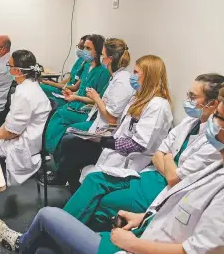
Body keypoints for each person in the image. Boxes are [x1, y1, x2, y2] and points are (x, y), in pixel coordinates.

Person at [0, 81, 224, 254]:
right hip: (145, 232)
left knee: (48, 216)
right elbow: (174, 183)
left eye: (218, 118)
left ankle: (20, 246)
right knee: (49, 252)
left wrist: (132, 243)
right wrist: (144, 217)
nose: (210, 124)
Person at [64, 74, 224, 231]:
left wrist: (167, 157)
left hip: (163, 190)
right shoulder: (189, 122)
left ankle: (68, 238)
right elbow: (158, 155)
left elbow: (174, 178)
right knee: (94, 179)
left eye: (193, 96)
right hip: (149, 176)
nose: (188, 100)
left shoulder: (215, 139)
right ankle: (59, 229)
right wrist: (168, 162)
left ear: (212, 104)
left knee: (104, 203)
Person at [55, 55, 173, 193]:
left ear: (149, 76)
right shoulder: (137, 97)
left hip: (131, 159)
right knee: (71, 144)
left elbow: (138, 145)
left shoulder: (157, 106)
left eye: (136, 73)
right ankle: (75, 190)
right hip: (116, 149)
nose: (132, 76)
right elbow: (123, 127)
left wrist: (103, 141)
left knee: (73, 149)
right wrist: (102, 135)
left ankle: (77, 192)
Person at [46, 38, 135, 186]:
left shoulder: (122, 81)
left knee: (69, 139)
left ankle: (65, 177)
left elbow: (112, 118)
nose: (101, 58)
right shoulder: (115, 77)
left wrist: (95, 98)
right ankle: (64, 174)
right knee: (65, 129)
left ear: (109, 59)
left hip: (108, 129)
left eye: (103, 55)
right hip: (96, 119)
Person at [44, 34, 110, 155]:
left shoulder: (103, 72)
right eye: (83, 47)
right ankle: (50, 151)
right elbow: (78, 88)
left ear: (98, 51)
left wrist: (76, 97)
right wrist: (71, 93)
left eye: (88, 48)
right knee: (54, 113)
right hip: (75, 104)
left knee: (59, 115)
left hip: (87, 111)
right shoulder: (86, 67)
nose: (84, 51)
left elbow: (98, 100)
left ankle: (51, 152)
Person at [0, 50, 51, 186]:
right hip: (25, 136)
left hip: (23, 144)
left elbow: (12, 132)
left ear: (18, 71)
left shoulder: (24, 93)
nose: (7, 68)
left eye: (9, 66)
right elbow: (10, 122)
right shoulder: (30, 86)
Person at [40, 35, 89, 107]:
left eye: (82, 47)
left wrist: (52, 83)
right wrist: (56, 85)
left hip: (68, 92)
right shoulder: (79, 61)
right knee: (42, 86)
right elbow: (69, 78)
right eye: (78, 47)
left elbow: (75, 88)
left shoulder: (88, 66)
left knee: (41, 88)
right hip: (63, 89)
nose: (80, 50)